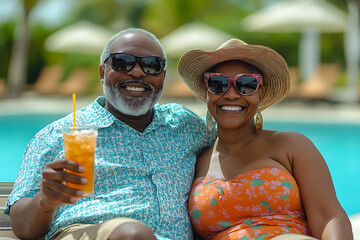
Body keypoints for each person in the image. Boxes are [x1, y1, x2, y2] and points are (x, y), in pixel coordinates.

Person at [5, 28, 216, 240]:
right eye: (122, 62)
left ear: (163, 76)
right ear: (102, 73)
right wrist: (45, 201)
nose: (137, 72)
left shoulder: (185, 126)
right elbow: (21, 227)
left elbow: (234, 145)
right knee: (133, 234)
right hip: (89, 233)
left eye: (151, 65)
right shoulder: (56, 135)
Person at [178, 38, 353, 240]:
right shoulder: (195, 162)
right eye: (218, 84)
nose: (232, 94)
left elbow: (327, 216)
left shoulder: (291, 145)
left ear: (260, 93)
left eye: (246, 84)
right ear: (207, 92)